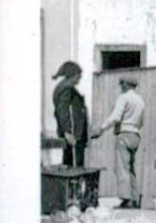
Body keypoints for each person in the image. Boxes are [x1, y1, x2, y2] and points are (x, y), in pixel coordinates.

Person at [91, 73, 145, 209]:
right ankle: (135, 198)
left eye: (122, 84)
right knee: (131, 168)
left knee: (122, 167)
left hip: (124, 134)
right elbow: (141, 122)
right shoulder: (140, 100)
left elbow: (115, 117)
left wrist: (101, 128)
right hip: (136, 135)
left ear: (126, 84)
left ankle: (126, 199)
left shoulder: (124, 98)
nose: (120, 86)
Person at [52, 61, 89, 168]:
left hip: (74, 133)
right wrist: (68, 132)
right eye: (79, 75)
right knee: (74, 166)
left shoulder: (64, 87)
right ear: (72, 75)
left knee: (70, 164)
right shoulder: (66, 88)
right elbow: (63, 110)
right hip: (73, 134)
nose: (80, 77)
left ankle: (74, 184)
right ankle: (75, 185)